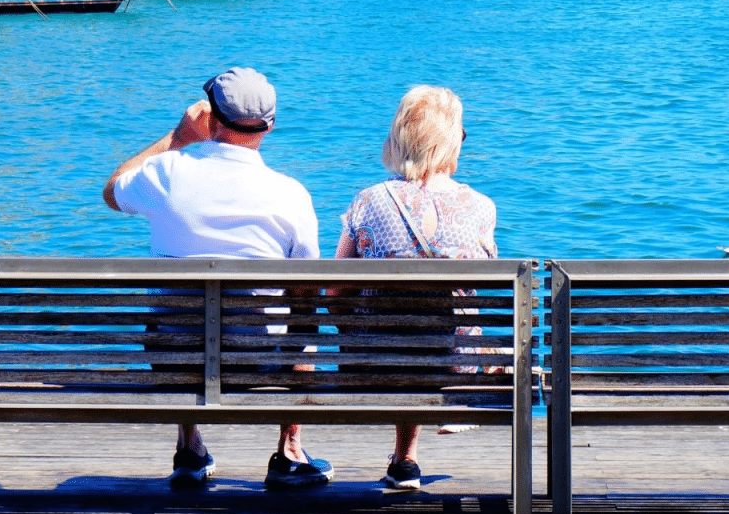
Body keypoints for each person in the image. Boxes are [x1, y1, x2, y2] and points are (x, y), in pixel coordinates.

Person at [103, 67, 333, 489]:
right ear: (270, 125)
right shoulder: (290, 194)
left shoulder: (166, 173)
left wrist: (177, 138)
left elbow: (113, 189)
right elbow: (306, 287)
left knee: (172, 316)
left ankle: (190, 449)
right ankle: (289, 451)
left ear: (210, 115)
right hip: (259, 361)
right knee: (305, 312)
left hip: (177, 361)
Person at [333, 85, 498, 490]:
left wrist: (354, 332)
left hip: (373, 364)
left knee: (397, 330)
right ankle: (415, 448)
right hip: (452, 367)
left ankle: (406, 459)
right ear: (450, 141)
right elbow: (486, 292)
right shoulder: (480, 207)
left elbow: (334, 294)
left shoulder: (367, 201)